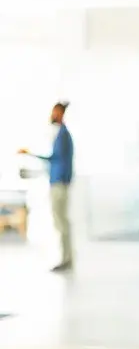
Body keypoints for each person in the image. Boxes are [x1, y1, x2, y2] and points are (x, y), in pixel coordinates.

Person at [18, 101, 74, 271]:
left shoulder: (63, 135)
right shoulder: (61, 134)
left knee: (61, 222)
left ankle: (66, 259)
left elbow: (55, 159)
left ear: (60, 113)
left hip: (59, 183)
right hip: (58, 182)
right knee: (60, 221)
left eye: (54, 112)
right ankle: (66, 257)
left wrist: (30, 154)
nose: (52, 115)